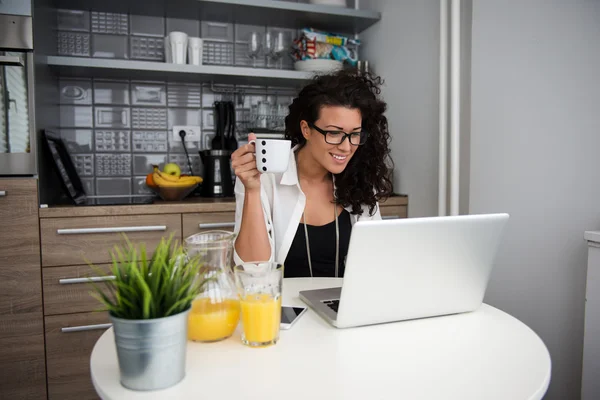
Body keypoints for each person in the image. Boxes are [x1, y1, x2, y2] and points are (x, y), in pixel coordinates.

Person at [230, 69, 393, 278]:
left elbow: (376, 263)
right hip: (282, 309)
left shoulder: (359, 178)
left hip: (344, 307)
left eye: (354, 134)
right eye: (334, 133)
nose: (346, 147)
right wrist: (252, 190)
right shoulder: (265, 178)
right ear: (306, 129)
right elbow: (254, 273)